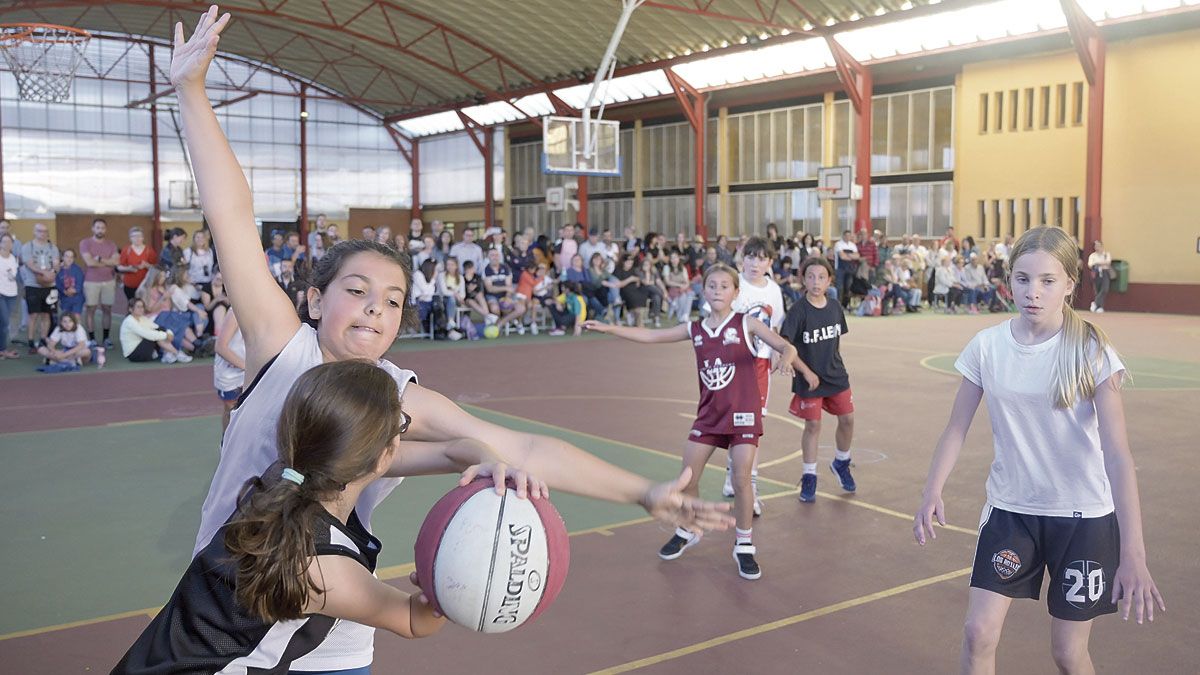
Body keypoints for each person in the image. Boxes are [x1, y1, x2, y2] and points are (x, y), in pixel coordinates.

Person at [170, 11, 733, 670]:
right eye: (356, 290)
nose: (376, 308)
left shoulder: (396, 396)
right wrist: (191, 93)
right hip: (225, 622)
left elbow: (520, 447)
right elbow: (232, 216)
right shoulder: (281, 348)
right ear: (315, 298)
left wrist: (644, 491)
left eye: (393, 300)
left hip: (337, 629)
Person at [913, 226, 1164, 674]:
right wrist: (933, 489)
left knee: (1068, 654)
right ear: (1009, 279)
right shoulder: (987, 347)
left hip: (1084, 518)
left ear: (1070, 283)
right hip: (1012, 511)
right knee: (978, 634)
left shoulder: (1091, 351)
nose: (1033, 292)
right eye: (1023, 279)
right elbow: (956, 427)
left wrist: (1134, 554)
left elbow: (1118, 456)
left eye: (1048, 280)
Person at [114, 361, 472, 672]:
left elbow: (453, 452)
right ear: (384, 457)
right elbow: (413, 619)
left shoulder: (281, 479)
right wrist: (447, 585)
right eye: (402, 425)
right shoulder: (323, 570)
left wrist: (486, 459)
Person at [583, 264, 798, 580]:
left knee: (741, 479)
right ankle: (688, 528)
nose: (717, 291)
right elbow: (651, 336)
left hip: (743, 415)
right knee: (687, 476)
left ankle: (744, 545)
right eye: (711, 286)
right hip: (710, 415)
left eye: (724, 286)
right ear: (704, 291)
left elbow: (785, 345)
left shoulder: (746, 323)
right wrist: (610, 328)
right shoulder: (694, 329)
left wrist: (786, 358)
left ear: (735, 293)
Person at [780, 257, 858, 503]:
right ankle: (810, 475)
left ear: (829, 280)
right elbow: (786, 346)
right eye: (811, 276)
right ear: (803, 279)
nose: (816, 282)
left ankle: (841, 462)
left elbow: (834, 344)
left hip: (835, 375)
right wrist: (806, 371)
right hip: (809, 378)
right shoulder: (798, 311)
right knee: (813, 426)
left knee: (847, 419)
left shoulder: (835, 307)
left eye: (821, 277)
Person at [718, 237, 785, 515]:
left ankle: (750, 488)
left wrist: (778, 351)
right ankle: (735, 475)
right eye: (750, 257)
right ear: (741, 258)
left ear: (770, 262)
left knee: (754, 427)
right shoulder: (734, 285)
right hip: (733, 362)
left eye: (761, 259)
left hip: (759, 364)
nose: (755, 263)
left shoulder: (773, 291)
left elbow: (776, 324)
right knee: (735, 425)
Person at [21, 222, 60, 351]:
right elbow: (30, 264)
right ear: (34, 232)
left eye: (44, 231)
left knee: (47, 314)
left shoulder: (52, 247)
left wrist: (52, 274)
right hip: (33, 285)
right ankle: (31, 341)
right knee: (33, 314)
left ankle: (43, 339)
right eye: (39, 231)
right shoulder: (28, 246)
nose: (42, 234)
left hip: (50, 286)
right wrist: (44, 273)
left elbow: (56, 265)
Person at [120, 298, 189, 363]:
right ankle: (176, 353)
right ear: (130, 309)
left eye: (142, 307)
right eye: (138, 307)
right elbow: (146, 334)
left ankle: (167, 354)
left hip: (142, 347)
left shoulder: (142, 318)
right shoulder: (129, 321)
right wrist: (166, 335)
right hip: (134, 354)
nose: (141, 309)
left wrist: (169, 333)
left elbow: (157, 327)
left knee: (159, 330)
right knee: (154, 335)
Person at [213, 308, 245, 433]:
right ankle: (226, 443)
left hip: (249, 366)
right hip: (231, 372)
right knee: (231, 409)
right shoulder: (235, 312)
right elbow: (220, 347)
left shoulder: (263, 309)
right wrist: (246, 366)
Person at [38, 311, 102, 370]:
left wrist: (64, 355)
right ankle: (69, 362)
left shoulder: (79, 328)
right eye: (64, 321)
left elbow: (81, 345)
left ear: (74, 322)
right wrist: (55, 351)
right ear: (61, 322)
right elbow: (51, 344)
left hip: (79, 350)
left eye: (70, 321)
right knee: (41, 349)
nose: (67, 324)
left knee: (86, 352)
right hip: (67, 350)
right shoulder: (59, 328)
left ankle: (57, 361)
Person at [117, 227, 157, 302]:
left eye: (139, 236)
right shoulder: (126, 250)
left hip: (145, 284)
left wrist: (146, 265)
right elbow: (119, 267)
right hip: (130, 285)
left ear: (143, 238)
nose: (137, 238)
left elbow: (156, 268)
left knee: (144, 306)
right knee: (132, 306)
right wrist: (129, 268)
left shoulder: (149, 251)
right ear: (130, 238)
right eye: (134, 236)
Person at [0, 233, 21, 359]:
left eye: (9, 242)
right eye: (4, 242)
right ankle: (2, 348)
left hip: (12, 294)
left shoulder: (13, 258)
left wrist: (12, 276)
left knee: (3, 323)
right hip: (0, 293)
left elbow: (13, 275)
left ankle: (2, 349)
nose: (7, 244)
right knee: (5, 321)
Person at [184, 229, 217, 296]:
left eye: (202, 237)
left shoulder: (209, 251)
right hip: (193, 285)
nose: (200, 239)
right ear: (194, 239)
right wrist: (194, 285)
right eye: (198, 237)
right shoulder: (188, 252)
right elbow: (184, 271)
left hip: (207, 284)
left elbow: (211, 268)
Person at [55, 249, 86, 318]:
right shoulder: (59, 270)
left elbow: (79, 284)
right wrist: (64, 291)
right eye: (67, 256)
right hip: (65, 299)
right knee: (66, 317)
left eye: (71, 257)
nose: (69, 259)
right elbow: (58, 284)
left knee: (76, 317)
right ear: (62, 257)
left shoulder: (78, 269)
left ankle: (77, 328)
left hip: (77, 298)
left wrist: (74, 290)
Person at [1088, 240, 1113, 313]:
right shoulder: (1092, 255)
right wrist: (1101, 263)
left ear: (1102, 246)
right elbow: (1090, 264)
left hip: (1105, 273)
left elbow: (1108, 262)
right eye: (1095, 245)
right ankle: (1100, 307)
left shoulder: (1106, 254)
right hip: (1096, 273)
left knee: (1105, 289)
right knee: (1097, 290)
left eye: (1098, 245)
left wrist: (1097, 263)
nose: (1097, 247)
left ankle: (1095, 303)